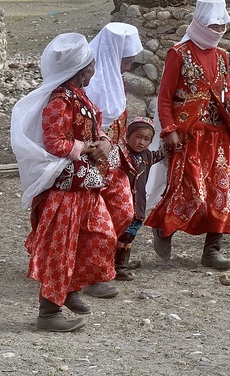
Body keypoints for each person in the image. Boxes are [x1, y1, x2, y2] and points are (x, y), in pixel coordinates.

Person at [10, 33, 116, 332]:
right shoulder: (59, 101)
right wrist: (86, 147)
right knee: (61, 246)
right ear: (82, 68)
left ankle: (70, 288)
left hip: (86, 185)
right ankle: (48, 312)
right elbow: (56, 142)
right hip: (66, 188)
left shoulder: (78, 96)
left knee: (99, 235)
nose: (94, 70)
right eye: (91, 65)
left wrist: (104, 142)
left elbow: (93, 129)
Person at [144, 0, 230, 270]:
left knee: (220, 192)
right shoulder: (178, 54)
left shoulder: (222, 56)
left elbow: (225, 89)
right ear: (200, 23)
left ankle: (212, 250)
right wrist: (168, 130)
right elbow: (165, 98)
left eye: (222, 25)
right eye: (213, 25)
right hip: (188, 134)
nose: (218, 30)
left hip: (217, 135)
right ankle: (164, 227)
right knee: (188, 187)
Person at [82, 22, 142, 293]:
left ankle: (102, 263)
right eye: (125, 61)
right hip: (88, 163)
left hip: (114, 161)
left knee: (124, 211)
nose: (127, 67)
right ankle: (93, 275)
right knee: (93, 219)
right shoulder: (87, 83)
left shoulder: (118, 81)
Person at [117, 116, 168, 277]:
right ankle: (116, 267)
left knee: (129, 235)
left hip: (137, 204)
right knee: (117, 235)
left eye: (146, 139)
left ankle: (121, 265)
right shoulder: (120, 154)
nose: (141, 142)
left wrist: (172, 141)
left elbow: (161, 154)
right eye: (138, 137)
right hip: (120, 205)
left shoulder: (147, 156)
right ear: (127, 136)